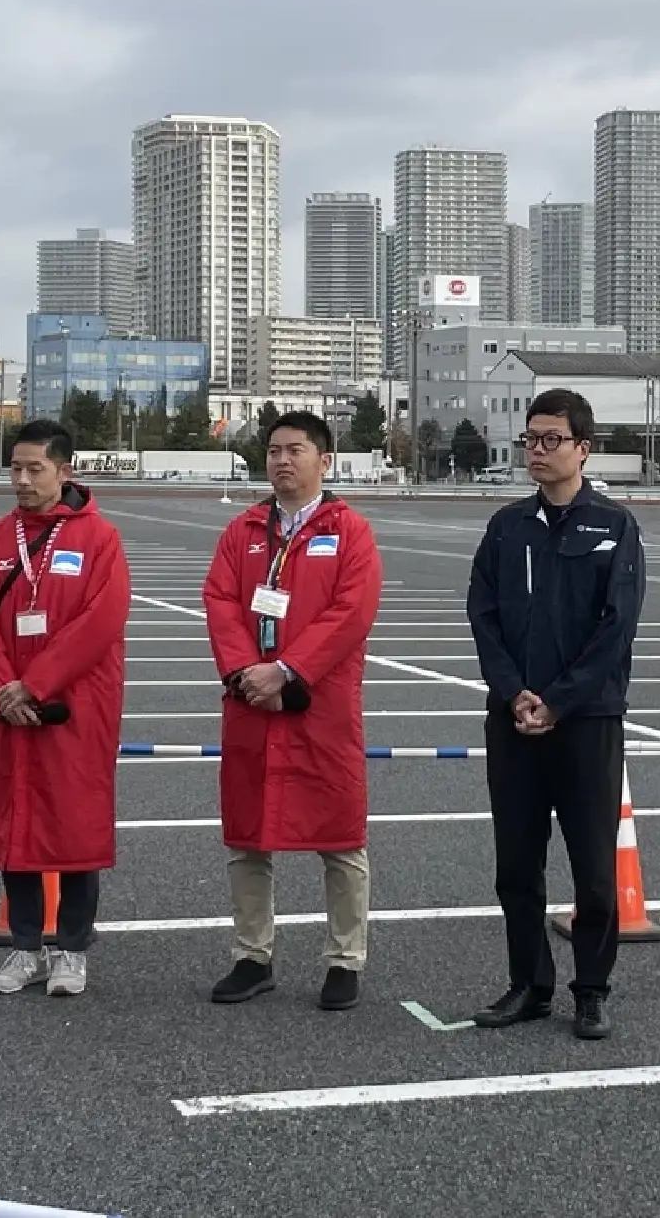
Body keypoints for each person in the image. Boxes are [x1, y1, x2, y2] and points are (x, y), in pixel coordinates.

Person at [466, 388, 646, 1040]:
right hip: (513, 720)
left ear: (583, 449)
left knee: (594, 868)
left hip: (587, 721)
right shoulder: (507, 526)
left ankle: (591, 989)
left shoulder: (614, 526)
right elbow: (483, 613)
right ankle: (529, 984)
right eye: (530, 439)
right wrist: (513, 691)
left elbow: (616, 627)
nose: (537, 451)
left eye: (551, 440)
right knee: (517, 866)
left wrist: (561, 700)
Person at [203, 410, 383, 1012]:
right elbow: (220, 600)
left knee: (341, 839)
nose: (282, 460)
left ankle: (345, 960)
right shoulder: (244, 531)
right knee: (248, 838)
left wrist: (288, 669)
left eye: (296, 450)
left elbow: (351, 613)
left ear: (324, 461)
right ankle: (252, 956)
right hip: (252, 702)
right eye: (275, 450)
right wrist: (244, 671)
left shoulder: (349, 531)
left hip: (321, 706)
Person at [0, 420, 132, 998]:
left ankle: (73, 952)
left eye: (35, 469)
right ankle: (25, 947)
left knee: (75, 825)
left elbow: (100, 623)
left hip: (75, 708)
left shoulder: (99, 539)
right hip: (9, 709)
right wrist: (4, 689)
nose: (22, 479)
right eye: (15, 468)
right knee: (17, 825)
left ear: (64, 471)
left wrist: (35, 684)